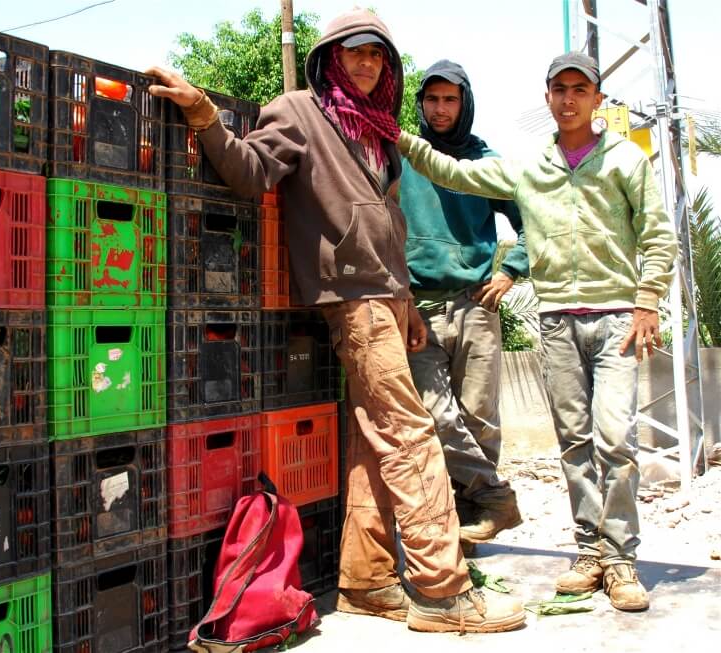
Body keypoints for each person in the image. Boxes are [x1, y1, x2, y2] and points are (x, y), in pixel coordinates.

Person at [148, 8, 524, 633]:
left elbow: (388, 224)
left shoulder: (377, 131)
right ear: (329, 59)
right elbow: (249, 173)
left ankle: (369, 579)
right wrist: (204, 115)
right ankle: (442, 591)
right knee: (411, 434)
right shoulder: (299, 109)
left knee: (376, 443)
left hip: (385, 297)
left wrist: (405, 301)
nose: (368, 64)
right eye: (355, 53)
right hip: (350, 298)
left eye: (378, 55)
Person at [395, 51, 678, 612]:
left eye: (580, 89)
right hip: (555, 322)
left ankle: (621, 557)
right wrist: (400, 138)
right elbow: (453, 172)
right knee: (573, 442)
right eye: (558, 89)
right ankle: (589, 551)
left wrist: (647, 302)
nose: (568, 98)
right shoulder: (529, 166)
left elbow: (657, 233)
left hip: (617, 318)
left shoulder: (624, 160)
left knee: (614, 438)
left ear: (597, 99)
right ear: (547, 97)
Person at [401, 60, 528, 554]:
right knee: (435, 417)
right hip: (416, 307)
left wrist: (509, 270)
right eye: (431, 99)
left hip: (474, 305)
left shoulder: (484, 161)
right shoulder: (403, 156)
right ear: (420, 104)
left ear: (465, 103)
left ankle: (470, 527)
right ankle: (493, 498)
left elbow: (529, 221)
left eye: (449, 99)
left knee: (478, 417)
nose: (439, 109)